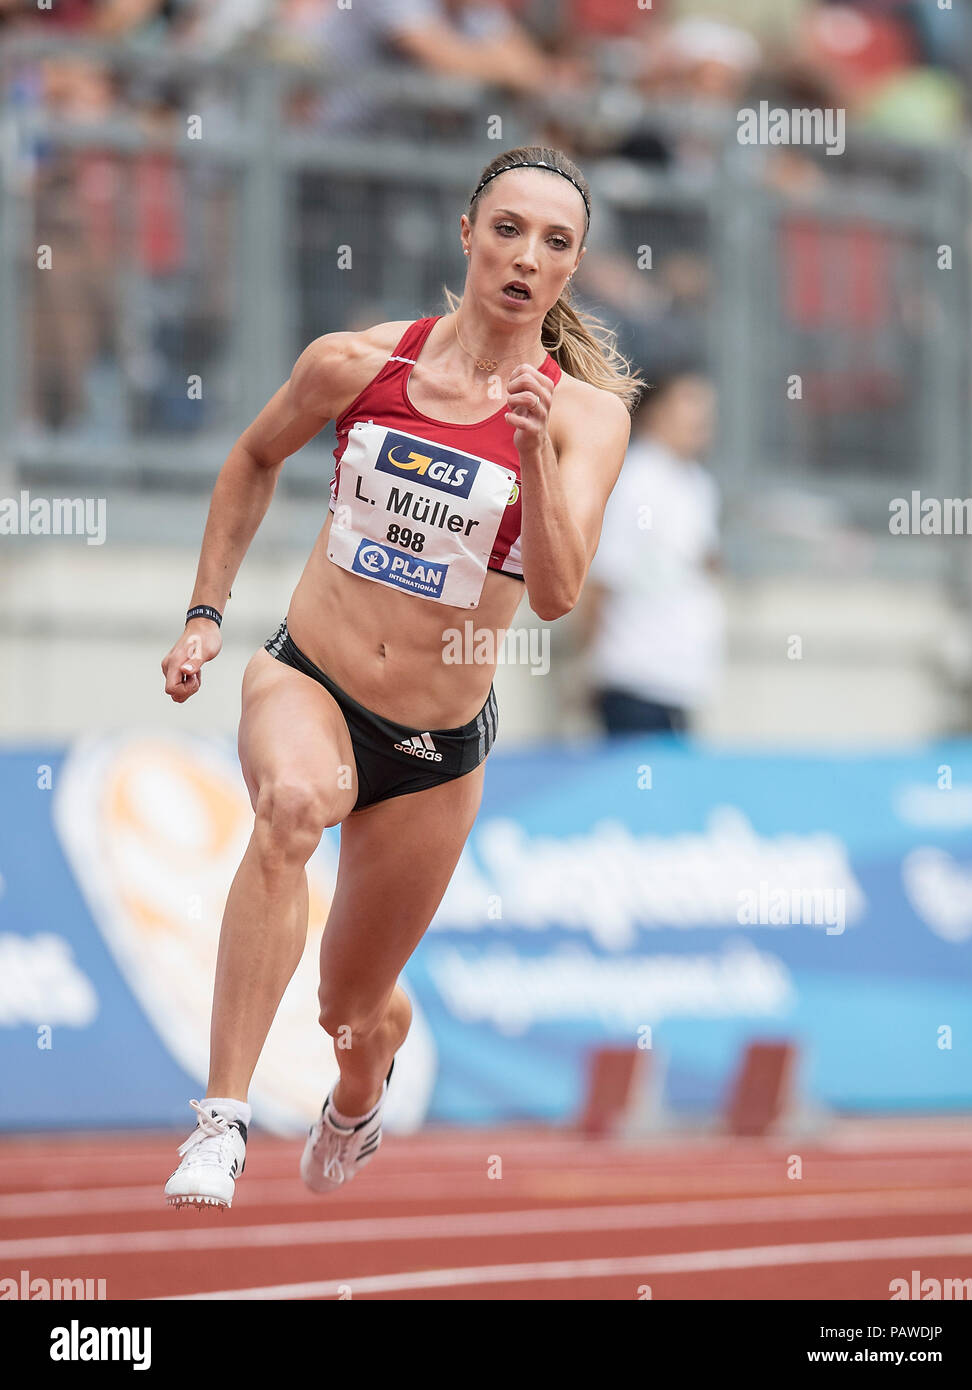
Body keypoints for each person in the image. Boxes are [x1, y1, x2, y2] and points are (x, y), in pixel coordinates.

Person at [159, 145, 642, 1208]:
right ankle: (221, 1120)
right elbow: (250, 456)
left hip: (432, 748)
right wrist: (205, 616)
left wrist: (531, 460)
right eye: (507, 229)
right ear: (467, 235)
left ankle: (355, 1093)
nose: (525, 257)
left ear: (572, 270)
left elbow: (559, 595)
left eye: (554, 243)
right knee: (288, 810)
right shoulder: (356, 364)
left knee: (352, 1003)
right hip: (310, 679)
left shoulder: (582, 419)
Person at [582, 369, 724, 737]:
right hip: (634, 679)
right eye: (690, 403)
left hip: (681, 681)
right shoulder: (635, 480)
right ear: (657, 410)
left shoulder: (696, 483)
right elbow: (602, 579)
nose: (702, 418)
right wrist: (589, 664)